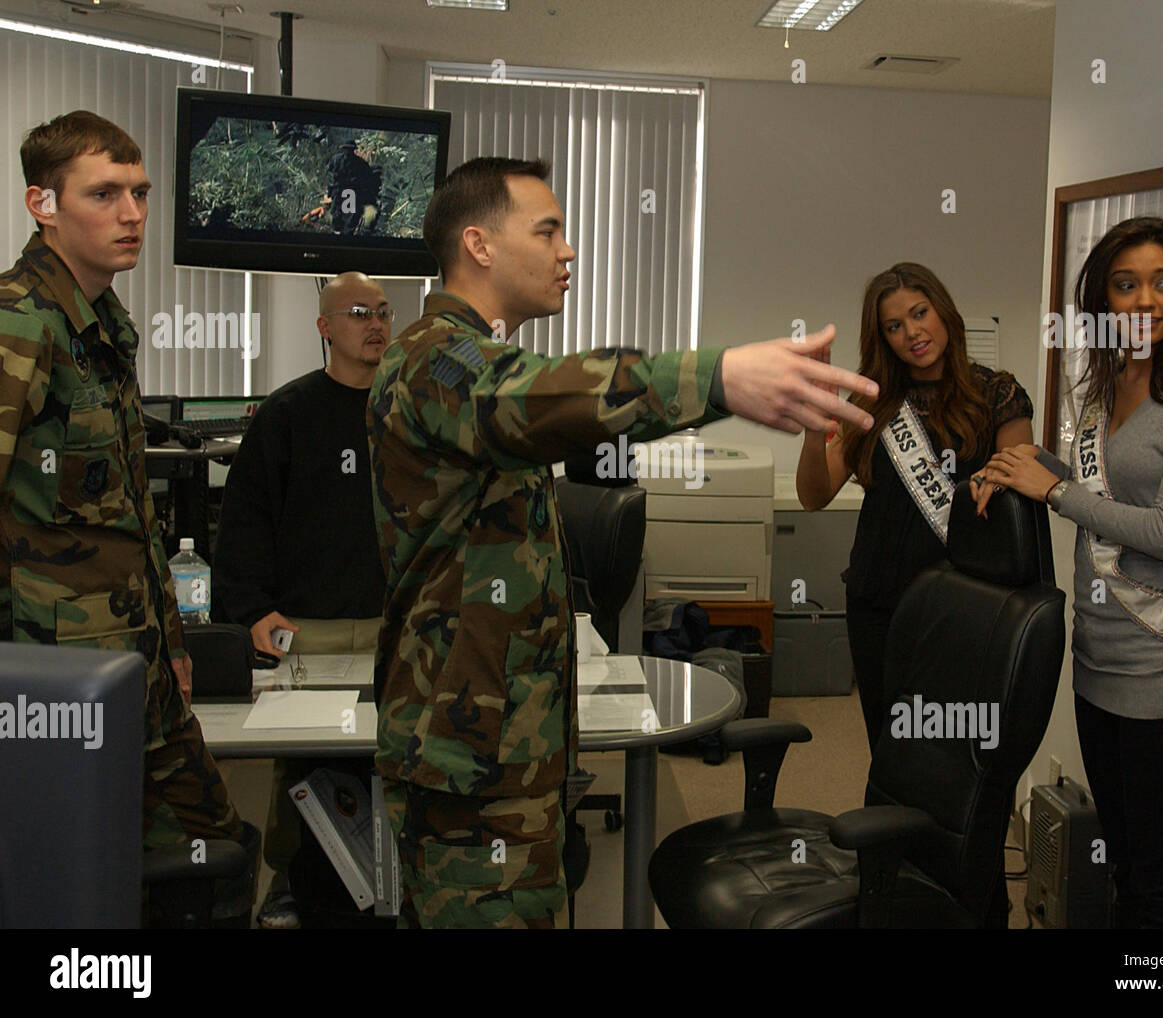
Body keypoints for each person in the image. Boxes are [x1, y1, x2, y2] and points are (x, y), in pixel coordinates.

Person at [369, 156, 879, 929]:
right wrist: (715, 377)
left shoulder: (468, 355)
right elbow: (543, 398)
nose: (568, 249)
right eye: (548, 230)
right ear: (478, 244)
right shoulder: (437, 357)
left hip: (502, 741)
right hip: (466, 755)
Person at [0, 110, 256, 921]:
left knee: (208, 850)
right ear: (43, 203)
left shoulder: (102, 327)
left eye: (140, 193)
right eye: (104, 194)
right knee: (76, 887)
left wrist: (173, 646)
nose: (133, 213)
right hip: (51, 675)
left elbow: (133, 520)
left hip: (134, 665)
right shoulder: (19, 320)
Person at [972, 216, 1163, 928]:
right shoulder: (1106, 379)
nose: (1145, 301)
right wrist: (1024, 468)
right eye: (1125, 285)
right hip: (1100, 663)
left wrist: (1055, 491)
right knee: (1124, 870)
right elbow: (1103, 495)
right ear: (1103, 299)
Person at [212, 271, 392, 928]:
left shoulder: (406, 411)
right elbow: (245, 523)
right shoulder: (287, 415)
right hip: (307, 631)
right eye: (356, 313)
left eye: (382, 312)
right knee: (307, 773)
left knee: (392, 766)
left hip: (391, 626)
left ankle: (390, 888)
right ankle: (294, 885)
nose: (374, 324)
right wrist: (252, 609)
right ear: (325, 328)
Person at [796, 263, 1033, 749]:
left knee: (951, 750)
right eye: (894, 326)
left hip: (964, 605)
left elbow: (1022, 483)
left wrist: (999, 474)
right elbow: (813, 496)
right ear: (883, 337)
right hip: (878, 600)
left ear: (943, 311)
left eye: (920, 313)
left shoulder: (997, 393)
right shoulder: (874, 398)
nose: (913, 333)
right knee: (888, 747)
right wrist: (812, 429)